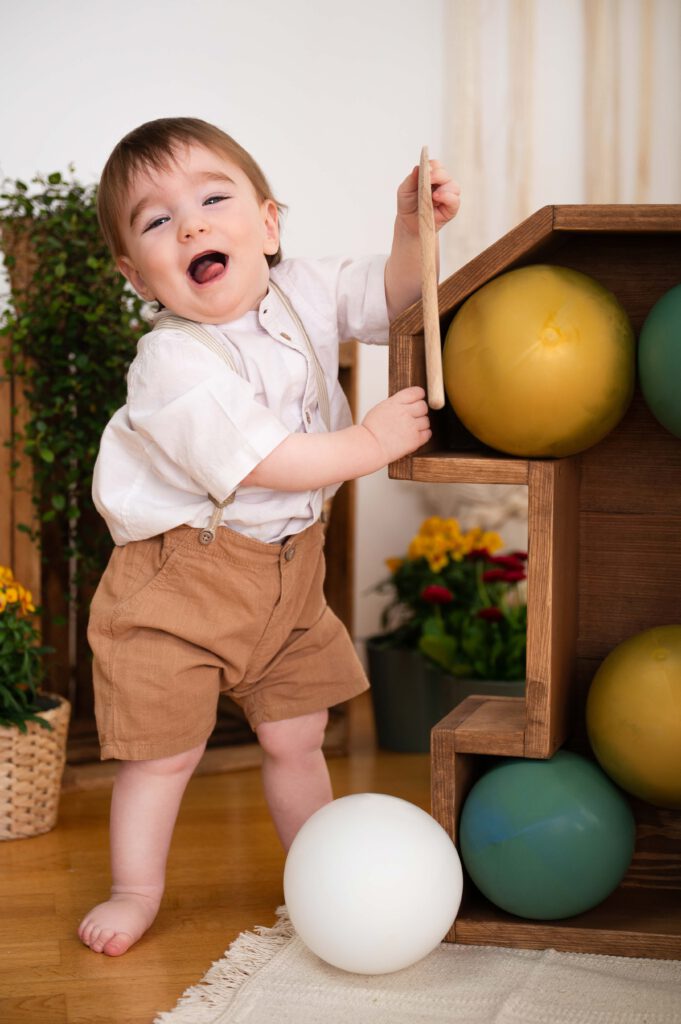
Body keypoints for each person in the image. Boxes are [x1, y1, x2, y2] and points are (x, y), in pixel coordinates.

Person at [79, 116, 461, 957]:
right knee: (163, 755)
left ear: (269, 223)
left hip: (289, 576)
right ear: (135, 274)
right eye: (156, 221)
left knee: (297, 735)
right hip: (178, 582)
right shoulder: (168, 363)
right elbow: (261, 461)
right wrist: (368, 444)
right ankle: (135, 888)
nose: (191, 225)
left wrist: (411, 230)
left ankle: (317, 870)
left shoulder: (307, 289)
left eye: (214, 198)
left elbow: (396, 295)